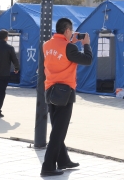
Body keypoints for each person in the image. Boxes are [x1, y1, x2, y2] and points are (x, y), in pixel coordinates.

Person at [40, 18, 92, 177]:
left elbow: (61, 54)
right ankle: (48, 166)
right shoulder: (69, 47)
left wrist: (71, 42)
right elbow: (87, 60)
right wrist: (85, 44)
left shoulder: (46, 44)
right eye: (71, 30)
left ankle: (63, 161)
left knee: (57, 127)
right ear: (68, 30)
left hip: (50, 90)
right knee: (59, 131)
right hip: (65, 93)